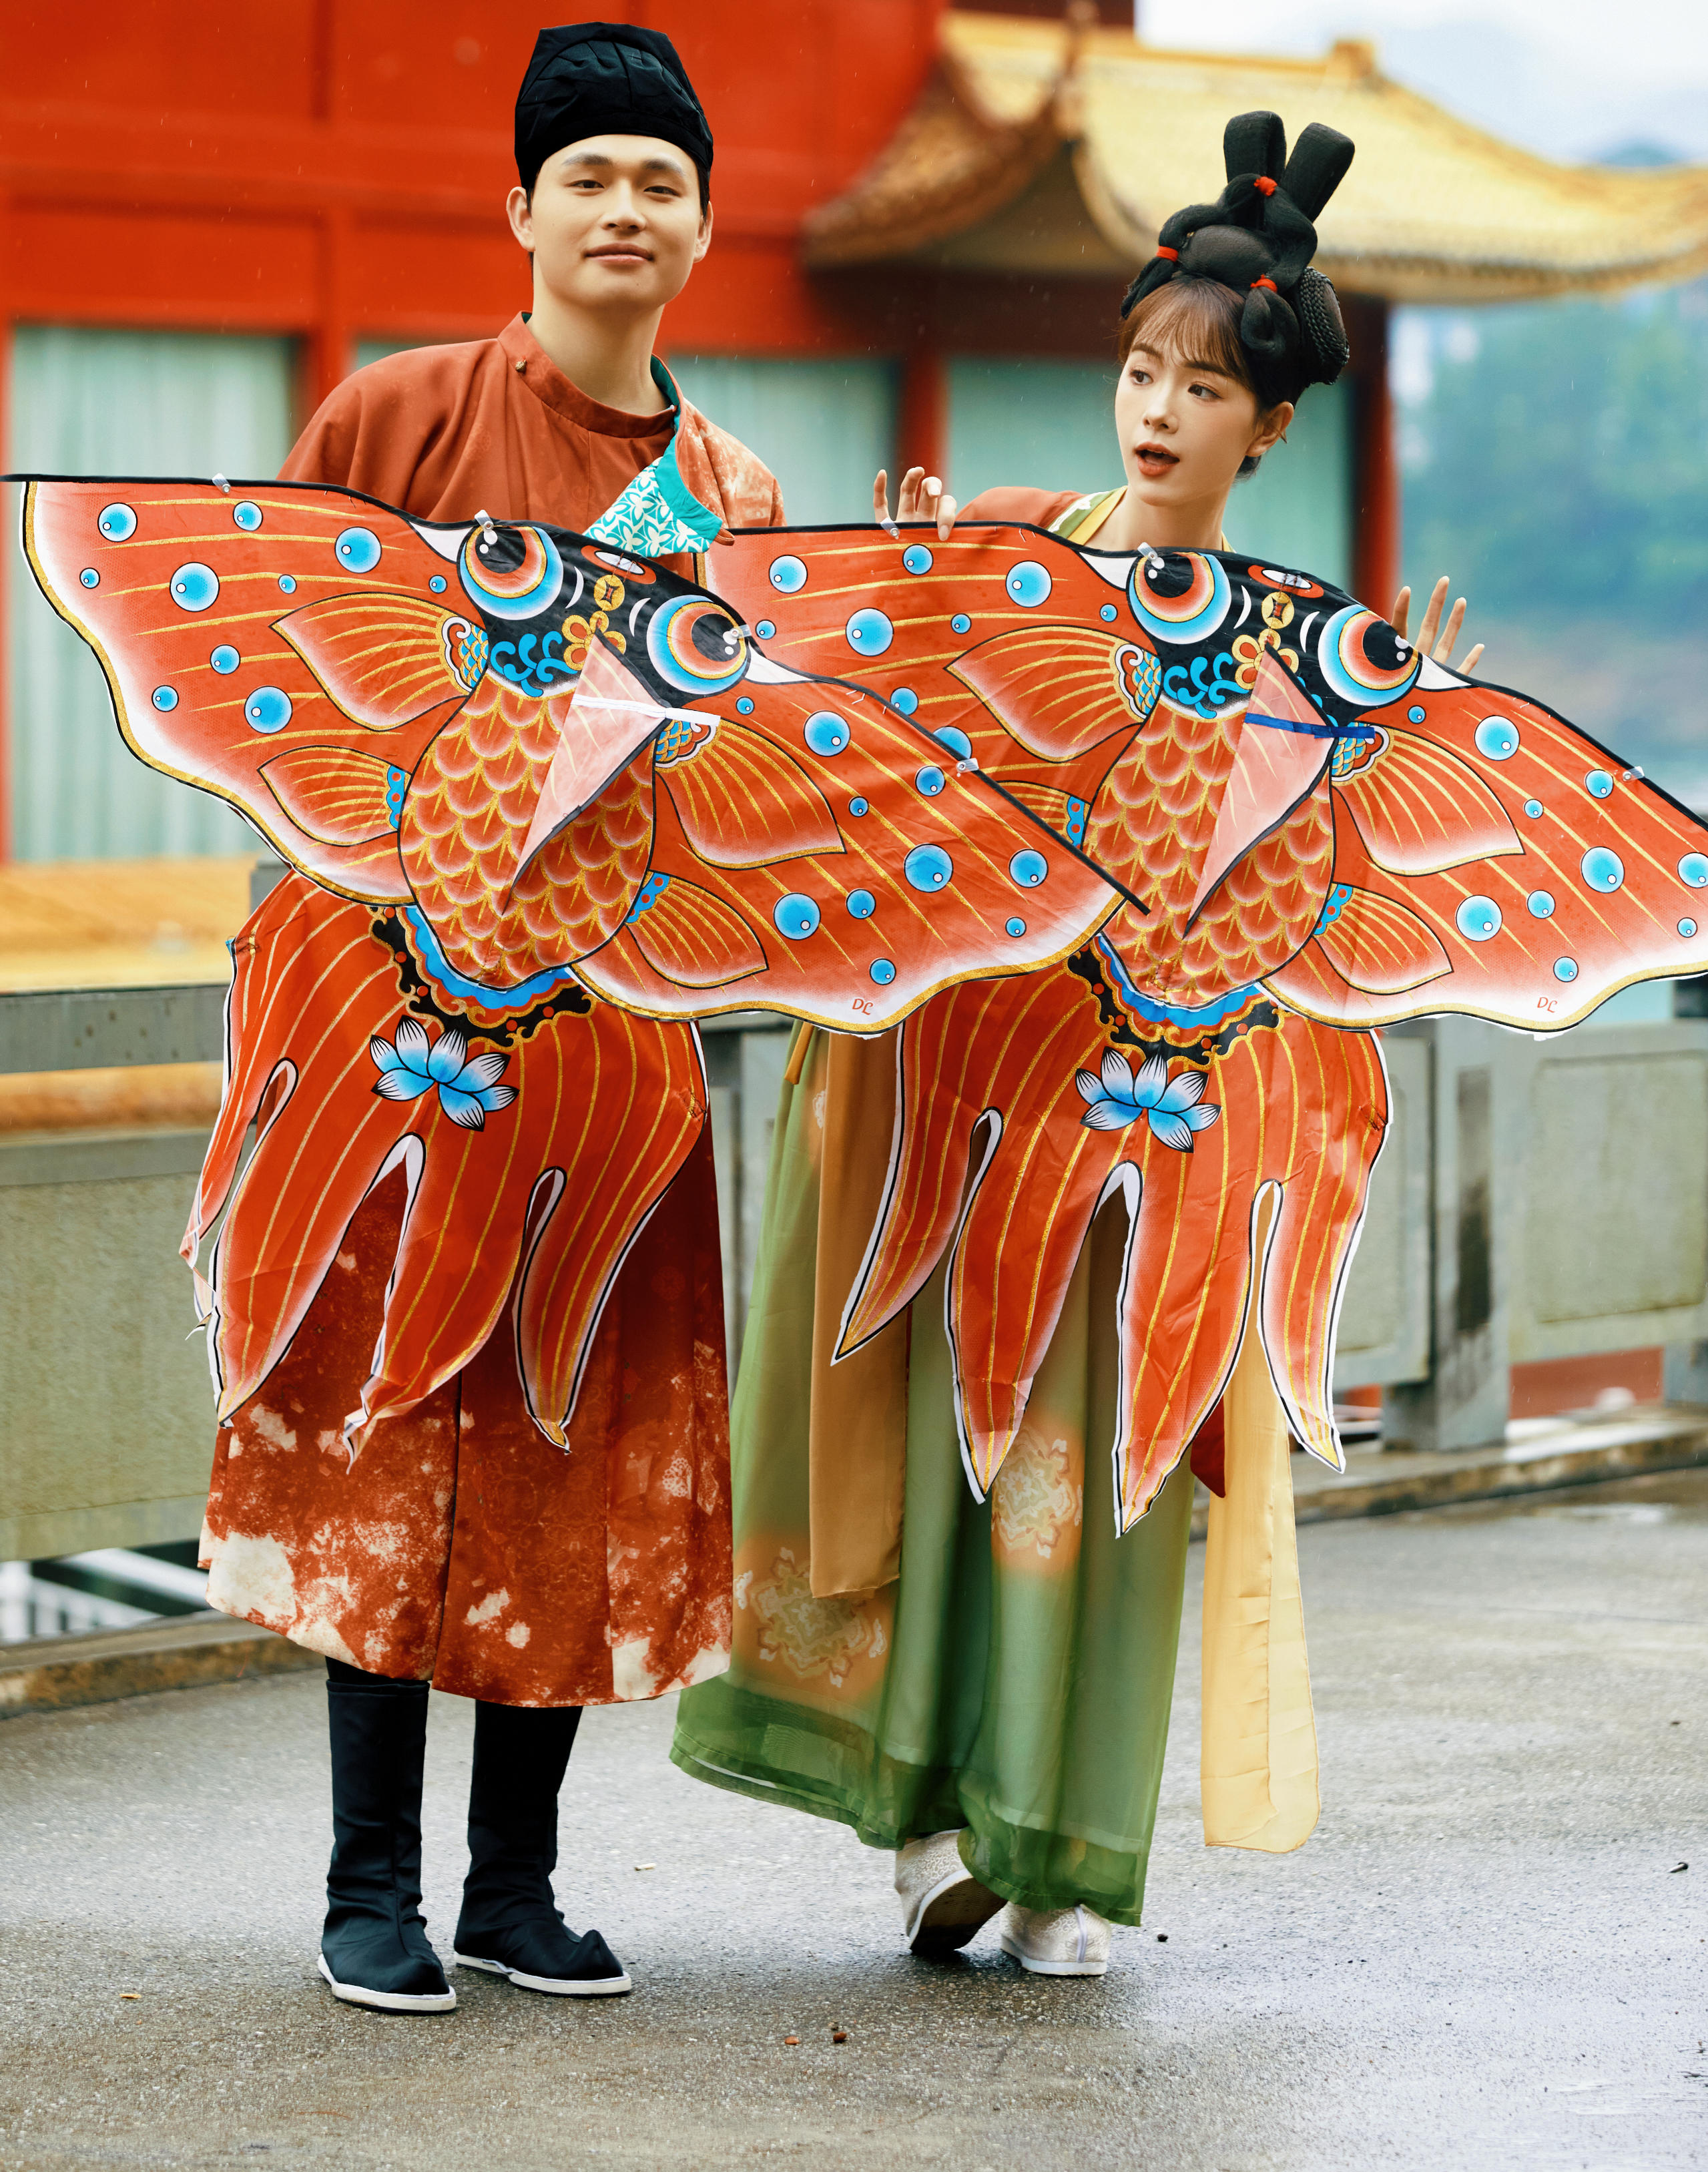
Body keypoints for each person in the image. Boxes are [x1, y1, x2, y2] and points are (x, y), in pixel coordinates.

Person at [671, 111, 1481, 1978]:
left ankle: (1069, 1852)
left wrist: (1398, 746)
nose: (1161, 409)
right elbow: (843, 761)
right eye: (1140, 368)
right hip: (966, 1099)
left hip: (1145, 1126)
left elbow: (1322, 904)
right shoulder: (1011, 556)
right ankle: (936, 1823)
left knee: (1094, 1495)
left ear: (1271, 431)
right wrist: (891, 612)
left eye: (1207, 388)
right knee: (951, 1477)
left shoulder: (1302, 647)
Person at [200, 20, 784, 2012]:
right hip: (402, 1022)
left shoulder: (735, 490)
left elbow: (748, 796)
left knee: (567, 1430)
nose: (626, 209)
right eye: (591, 176)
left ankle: (513, 1883)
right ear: (520, 209)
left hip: (610, 1047)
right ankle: (372, 1884)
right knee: (391, 1434)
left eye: (662, 181)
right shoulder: (394, 417)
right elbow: (273, 680)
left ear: (705, 229)